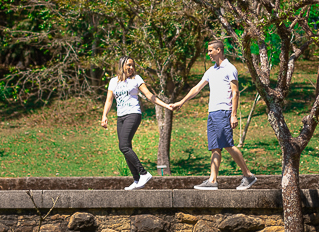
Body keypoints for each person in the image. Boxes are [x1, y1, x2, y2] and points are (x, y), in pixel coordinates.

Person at [170, 40, 257, 190]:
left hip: (224, 111)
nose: (208, 53)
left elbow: (235, 92)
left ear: (219, 50)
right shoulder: (211, 70)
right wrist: (182, 102)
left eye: (211, 50)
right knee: (215, 147)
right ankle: (212, 181)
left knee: (228, 145)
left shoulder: (230, 68)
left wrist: (233, 115)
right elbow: (197, 88)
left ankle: (248, 176)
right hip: (212, 112)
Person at [101, 56, 174, 190]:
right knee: (126, 147)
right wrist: (104, 115)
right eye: (128, 65)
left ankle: (143, 173)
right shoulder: (113, 81)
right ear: (121, 66)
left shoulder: (136, 79)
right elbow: (109, 100)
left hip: (133, 114)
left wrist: (166, 105)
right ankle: (136, 180)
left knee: (123, 146)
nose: (131, 68)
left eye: (132, 65)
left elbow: (149, 95)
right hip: (121, 117)